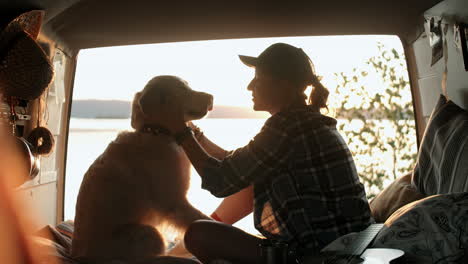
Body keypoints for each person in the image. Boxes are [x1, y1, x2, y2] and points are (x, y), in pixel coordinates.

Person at [160, 43, 372, 264]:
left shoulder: (287, 127)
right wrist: (195, 133)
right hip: (350, 243)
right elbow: (238, 164)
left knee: (199, 235)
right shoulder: (305, 121)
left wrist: (180, 131)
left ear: (283, 85)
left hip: (320, 255)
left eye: (258, 78)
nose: (250, 86)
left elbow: (220, 180)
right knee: (246, 187)